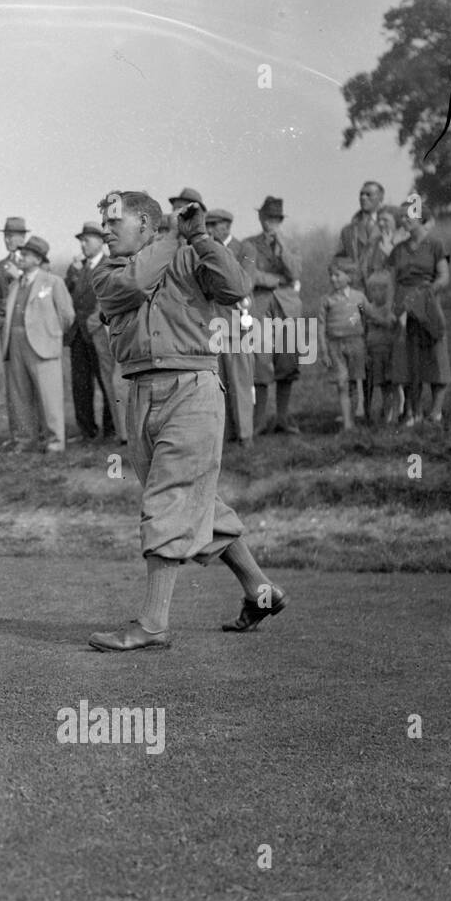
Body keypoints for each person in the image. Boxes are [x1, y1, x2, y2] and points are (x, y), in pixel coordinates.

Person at [87, 190, 285, 651]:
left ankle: (153, 624)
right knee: (197, 502)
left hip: (192, 390)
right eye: (104, 224)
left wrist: (200, 237)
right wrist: (177, 235)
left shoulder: (190, 253)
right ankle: (261, 591)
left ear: (147, 225)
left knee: (169, 499)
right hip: (138, 396)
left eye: (116, 222)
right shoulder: (107, 272)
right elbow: (135, 285)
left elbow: (236, 287)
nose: (106, 230)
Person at [2, 237, 74, 454]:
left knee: (49, 395)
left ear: (37, 259)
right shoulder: (15, 284)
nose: (20, 258)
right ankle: (25, 439)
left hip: (43, 345)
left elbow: (67, 315)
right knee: (19, 394)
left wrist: (51, 334)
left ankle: (55, 441)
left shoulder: (53, 282)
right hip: (15, 344)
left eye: (25, 255)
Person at [240, 196, 303, 435]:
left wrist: (282, 247)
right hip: (260, 306)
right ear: (260, 217)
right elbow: (250, 275)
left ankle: (283, 417)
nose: (271, 223)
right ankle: (259, 421)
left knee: (287, 362)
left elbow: (295, 271)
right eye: (268, 218)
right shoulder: (249, 244)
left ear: (281, 221)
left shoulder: (291, 244)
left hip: (288, 308)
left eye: (276, 219)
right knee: (261, 363)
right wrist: (278, 280)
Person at [391, 204, 451, 426]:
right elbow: (392, 280)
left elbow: (444, 276)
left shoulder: (436, 245)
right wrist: (395, 307)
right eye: (401, 217)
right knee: (408, 359)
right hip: (404, 305)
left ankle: (435, 411)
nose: (403, 221)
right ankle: (411, 411)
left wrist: (426, 294)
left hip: (428, 303)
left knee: (436, 356)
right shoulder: (398, 249)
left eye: (407, 217)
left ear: (420, 218)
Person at [206, 209, 255, 446]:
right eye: (208, 224)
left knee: (241, 382)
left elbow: (245, 283)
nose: (210, 228)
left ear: (227, 225)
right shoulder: (204, 250)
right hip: (213, 324)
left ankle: (245, 433)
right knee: (219, 383)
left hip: (237, 324)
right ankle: (225, 434)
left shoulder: (244, 249)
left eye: (214, 224)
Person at [64, 224, 114, 443]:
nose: (83, 245)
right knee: (80, 384)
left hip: (99, 331)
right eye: (81, 241)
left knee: (106, 381)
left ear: (101, 241)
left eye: (87, 240)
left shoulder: (110, 265)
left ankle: (111, 429)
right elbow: (67, 296)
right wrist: (73, 275)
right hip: (78, 334)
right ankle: (87, 431)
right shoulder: (77, 268)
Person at [360, 206, 407, 424]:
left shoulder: (403, 241)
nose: (381, 224)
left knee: (397, 363)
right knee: (379, 364)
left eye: (386, 220)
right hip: (375, 305)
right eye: (379, 220)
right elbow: (366, 272)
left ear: (397, 222)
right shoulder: (373, 244)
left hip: (397, 307)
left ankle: (403, 408)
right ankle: (385, 410)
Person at [318, 260, 368, 431]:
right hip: (335, 345)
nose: (333, 279)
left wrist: (353, 322)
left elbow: (364, 315)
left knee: (355, 382)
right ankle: (347, 423)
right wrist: (323, 351)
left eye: (337, 275)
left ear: (349, 277)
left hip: (356, 343)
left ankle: (354, 417)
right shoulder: (327, 300)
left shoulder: (359, 297)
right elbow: (321, 326)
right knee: (341, 382)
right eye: (330, 275)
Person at [337, 181, 385, 291]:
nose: (363, 198)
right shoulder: (348, 231)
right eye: (361, 194)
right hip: (356, 291)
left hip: (383, 292)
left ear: (380, 199)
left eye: (368, 195)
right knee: (360, 309)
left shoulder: (391, 226)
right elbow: (337, 260)